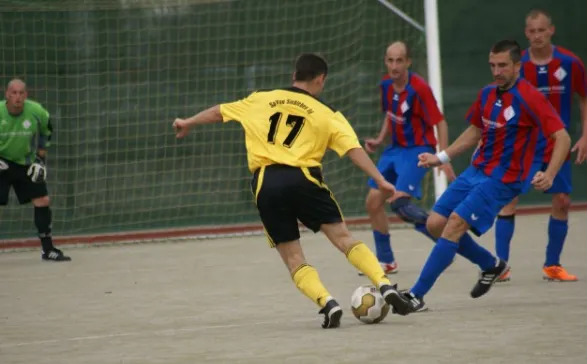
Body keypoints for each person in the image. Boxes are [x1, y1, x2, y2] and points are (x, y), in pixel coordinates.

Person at [172, 53, 417, 328]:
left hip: (266, 183)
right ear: (320, 79)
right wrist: (381, 180)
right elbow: (353, 150)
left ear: (293, 76)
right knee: (343, 239)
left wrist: (188, 122)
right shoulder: (328, 113)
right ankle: (384, 285)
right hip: (304, 179)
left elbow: (219, 112)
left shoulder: (261, 98)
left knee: (293, 258)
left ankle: (328, 303)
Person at [399, 40, 571, 312]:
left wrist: (550, 174)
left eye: (503, 65)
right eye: (492, 65)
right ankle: (491, 265)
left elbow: (562, 136)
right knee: (435, 223)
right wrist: (440, 157)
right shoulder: (488, 93)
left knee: (455, 223)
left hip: (504, 178)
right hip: (476, 171)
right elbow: (475, 130)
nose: (497, 71)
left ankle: (416, 296)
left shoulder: (531, 97)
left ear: (517, 65)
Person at [495, 9, 587, 282]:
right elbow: (501, 100)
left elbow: (585, 98)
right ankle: (500, 267)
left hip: (556, 145)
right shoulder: (517, 66)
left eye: (542, 30)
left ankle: (552, 265)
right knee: (508, 199)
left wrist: (586, 136)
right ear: (526, 34)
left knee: (562, 201)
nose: (537, 36)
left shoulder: (570, 63)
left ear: (551, 30)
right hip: (523, 144)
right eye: (532, 31)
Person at [362, 41, 455, 275]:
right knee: (373, 203)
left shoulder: (419, 88)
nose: (394, 66)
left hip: (418, 149)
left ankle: (448, 243)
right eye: (390, 60)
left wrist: (442, 157)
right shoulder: (385, 85)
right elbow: (391, 116)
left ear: (408, 62)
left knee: (401, 205)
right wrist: (380, 138)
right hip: (394, 149)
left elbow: (440, 122)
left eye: (399, 60)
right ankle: (386, 261)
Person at [0, 79, 71, 261]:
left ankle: (47, 250)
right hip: (1, 163)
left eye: (21, 93)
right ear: (6, 94)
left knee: (43, 200)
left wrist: (41, 158)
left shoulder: (37, 111)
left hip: (25, 163)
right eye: (13, 93)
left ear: (26, 94)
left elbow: (47, 130)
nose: (17, 97)